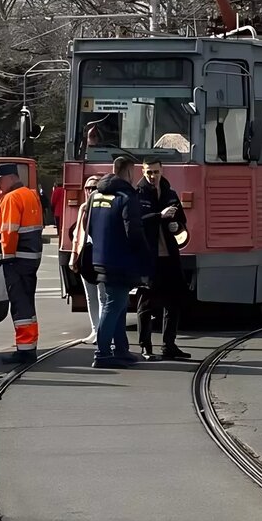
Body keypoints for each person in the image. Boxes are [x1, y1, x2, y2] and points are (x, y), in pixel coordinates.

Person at [87, 156, 150, 369]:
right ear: (130, 171)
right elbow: (133, 231)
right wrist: (143, 256)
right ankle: (103, 353)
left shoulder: (95, 195)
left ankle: (121, 349)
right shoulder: (126, 196)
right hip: (120, 261)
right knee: (113, 305)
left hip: (100, 257)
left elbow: (90, 227)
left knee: (118, 305)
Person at [0, 163, 44, 364]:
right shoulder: (30, 194)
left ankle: (25, 349)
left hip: (17, 259)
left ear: (10, 177)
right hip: (31, 258)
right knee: (27, 303)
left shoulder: (11, 198)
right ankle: (29, 346)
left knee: (20, 305)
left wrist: (7, 257)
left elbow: (9, 231)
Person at [135, 160, 190, 360]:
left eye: (156, 172)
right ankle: (145, 346)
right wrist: (160, 215)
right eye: (149, 172)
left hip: (170, 257)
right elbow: (136, 222)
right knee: (146, 305)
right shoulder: (138, 194)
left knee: (173, 302)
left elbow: (181, 221)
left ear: (162, 171)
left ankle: (169, 345)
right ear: (142, 171)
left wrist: (177, 226)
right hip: (149, 258)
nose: (153, 176)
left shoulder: (170, 193)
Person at [68, 175, 103, 344]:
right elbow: (77, 236)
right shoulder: (83, 208)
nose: (91, 191)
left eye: (95, 188)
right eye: (88, 188)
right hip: (85, 255)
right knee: (90, 296)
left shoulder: (105, 206)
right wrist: (73, 257)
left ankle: (104, 331)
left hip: (101, 256)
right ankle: (95, 330)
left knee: (103, 296)